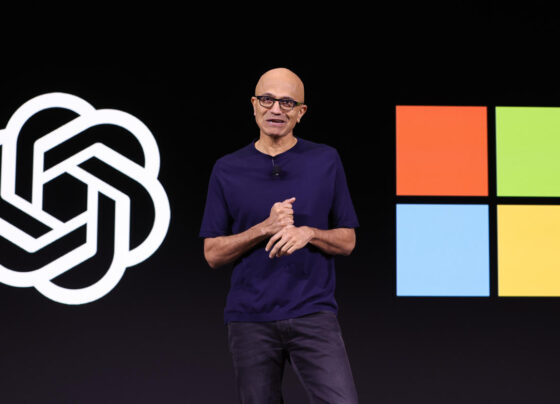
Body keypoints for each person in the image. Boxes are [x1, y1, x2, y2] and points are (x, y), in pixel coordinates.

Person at [199, 67, 359, 404]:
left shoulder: (325, 159)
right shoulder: (227, 169)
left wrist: (309, 233)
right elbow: (212, 253)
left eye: (287, 102)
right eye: (268, 100)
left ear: (301, 113)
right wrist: (264, 228)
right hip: (250, 320)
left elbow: (347, 240)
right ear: (253, 105)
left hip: (313, 313)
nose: (276, 109)